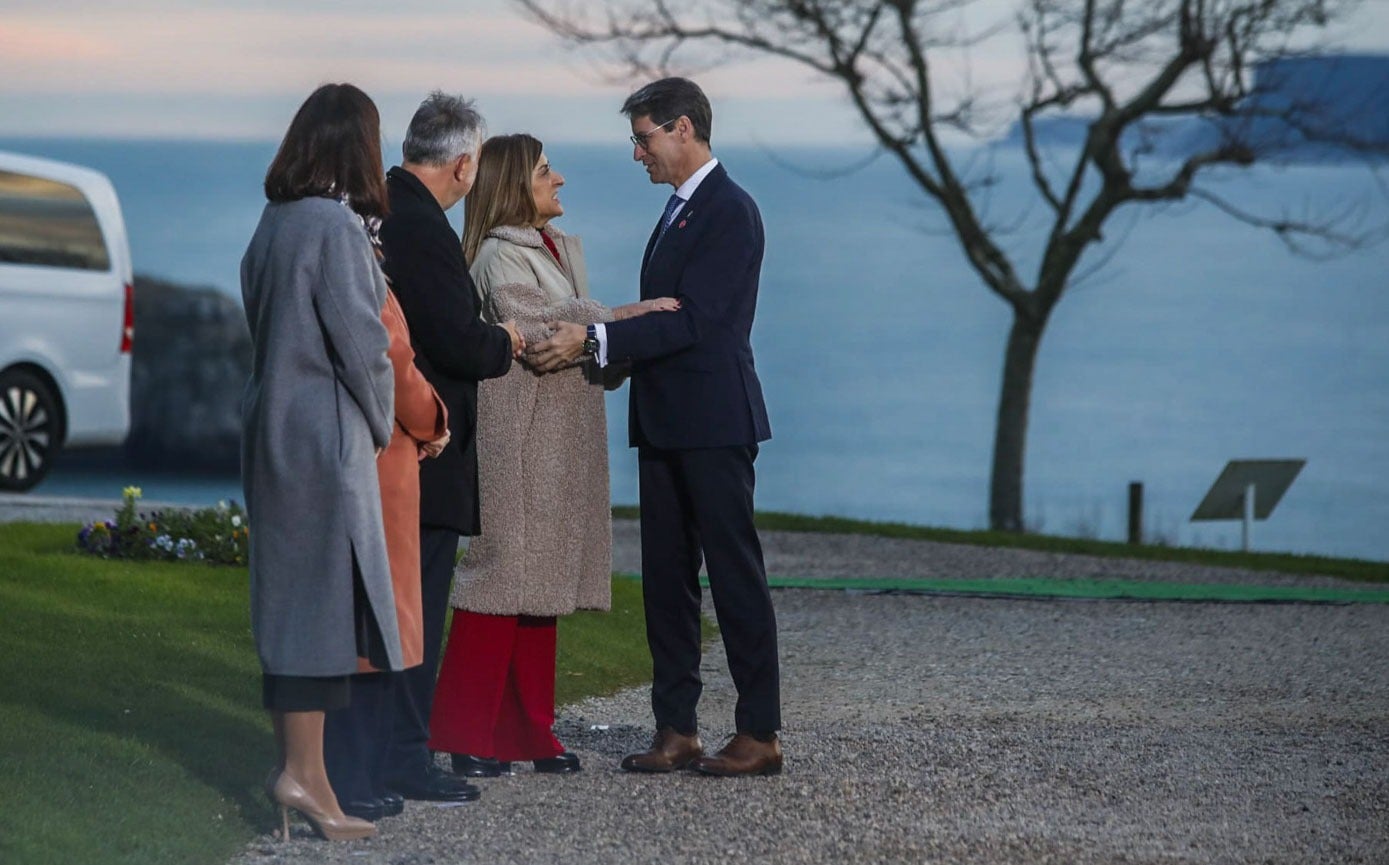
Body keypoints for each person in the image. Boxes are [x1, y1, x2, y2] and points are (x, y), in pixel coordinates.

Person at [530, 77, 781, 777]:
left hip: (714, 420)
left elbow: (696, 319)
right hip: (666, 420)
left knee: (734, 576)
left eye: (642, 138)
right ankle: (676, 728)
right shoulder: (678, 211)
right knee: (666, 580)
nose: (636, 153)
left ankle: (759, 731)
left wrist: (595, 341)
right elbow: (665, 315)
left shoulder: (730, 209)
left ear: (681, 128)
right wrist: (627, 327)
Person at [427, 134, 679, 778]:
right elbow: (540, 334)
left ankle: (527, 730)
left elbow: (575, 335)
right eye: (545, 171)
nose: (559, 179)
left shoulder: (556, 250)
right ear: (515, 184)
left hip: (561, 434)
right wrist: (622, 321)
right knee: (502, 575)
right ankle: (464, 732)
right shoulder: (493, 256)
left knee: (543, 582)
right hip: (519, 435)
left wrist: (603, 336)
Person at [240, 82, 397, 840]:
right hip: (322, 437)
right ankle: (303, 776)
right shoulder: (335, 227)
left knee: (292, 608)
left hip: (271, 430)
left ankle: (306, 775)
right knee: (318, 615)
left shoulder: (272, 223)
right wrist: (384, 420)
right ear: (355, 144)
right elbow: (362, 344)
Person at [379, 92, 523, 802]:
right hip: (424, 449)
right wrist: (508, 341)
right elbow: (455, 339)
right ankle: (404, 753)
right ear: (464, 165)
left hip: (391, 442)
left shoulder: (379, 205)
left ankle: (383, 747)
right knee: (417, 603)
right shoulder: (419, 223)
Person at [322, 263, 451, 816]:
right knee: (378, 622)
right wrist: (434, 421)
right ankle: (358, 774)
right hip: (384, 456)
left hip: (354, 448)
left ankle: (355, 772)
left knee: (364, 620)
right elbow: (393, 361)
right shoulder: (361, 272)